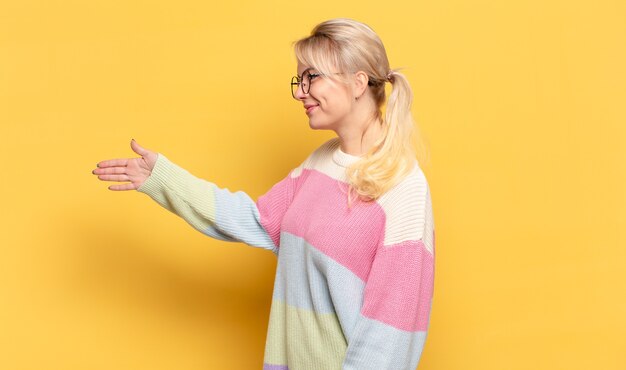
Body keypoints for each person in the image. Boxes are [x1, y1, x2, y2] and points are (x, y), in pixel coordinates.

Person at [93, 18, 435, 370]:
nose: (300, 92)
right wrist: (164, 178)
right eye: (298, 80)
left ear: (358, 81)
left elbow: (391, 335)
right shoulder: (320, 163)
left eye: (311, 77)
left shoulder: (403, 186)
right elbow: (255, 220)